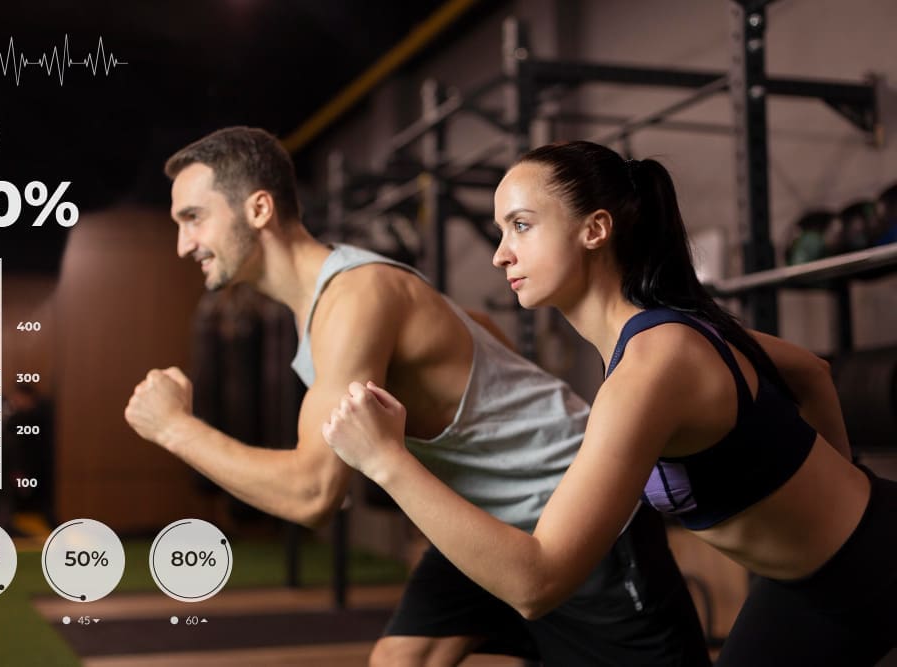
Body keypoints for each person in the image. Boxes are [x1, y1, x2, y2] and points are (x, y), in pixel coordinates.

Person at [125, 127, 711, 665]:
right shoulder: (336, 301)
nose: (184, 244)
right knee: (401, 660)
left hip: (576, 522)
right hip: (488, 518)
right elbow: (479, 325)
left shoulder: (355, 297)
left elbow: (312, 494)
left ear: (258, 208)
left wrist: (174, 427)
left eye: (194, 217)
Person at [322, 140, 897, 666]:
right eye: (501, 231)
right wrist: (840, 484)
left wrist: (385, 462)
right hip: (803, 583)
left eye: (521, 226)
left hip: (868, 562)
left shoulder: (653, 364)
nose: (501, 255)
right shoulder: (661, 340)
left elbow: (537, 582)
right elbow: (812, 373)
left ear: (595, 229)